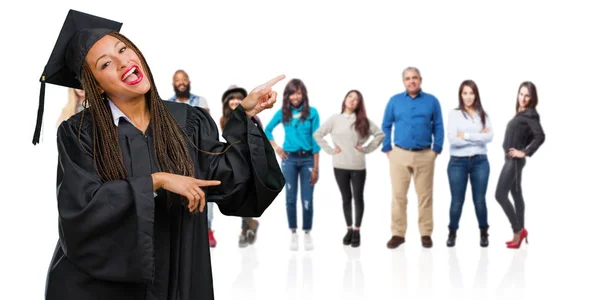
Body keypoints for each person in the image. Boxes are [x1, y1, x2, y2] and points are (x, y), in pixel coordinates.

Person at [34, 9, 285, 300]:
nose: (123, 62)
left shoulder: (186, 121)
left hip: (178, 279)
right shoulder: (80, 134)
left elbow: (230, 181)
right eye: (106, 64)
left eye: (123, 49)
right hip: (101, 290)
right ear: (97, 86)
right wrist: (155, 181)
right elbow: (81, 212)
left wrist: (243, 115)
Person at [381, 66, 444, 249]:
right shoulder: (394, 101)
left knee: (425, 196)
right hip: (399, 155)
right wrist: (388, 149)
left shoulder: (432, 101)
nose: (411, 81)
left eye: (414, 77)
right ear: (403, 82)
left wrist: (436, 150)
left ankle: (425, 233)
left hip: (425, 155)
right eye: (408, 78)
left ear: (421, 79)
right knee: (398, 196)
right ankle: (398, 234)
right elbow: (386, 125)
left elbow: (438, 126)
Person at [313, 90, 384, 247]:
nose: (352, 100)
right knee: (346, 198)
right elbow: (318, 134)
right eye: (350, 97)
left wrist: (365, 149)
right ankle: (349, 229)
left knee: (358, 198)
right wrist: (331, 150)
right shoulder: (334, 119)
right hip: (339, 165)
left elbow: (379, 135)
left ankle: (357, 230)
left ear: (359, 104)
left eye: (356, 99)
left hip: (358, 165)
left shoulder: (362, 120)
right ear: (345, 99)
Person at [264, 78, 320, 251]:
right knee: (290, 198)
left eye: (298, 92)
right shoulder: (283, 112)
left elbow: (316, 140)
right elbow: (267, 130)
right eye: (291, 93)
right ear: (287, 96)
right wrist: (277, 148)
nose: (295, 97)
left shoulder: (312, 112)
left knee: (307, 199)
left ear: (303, 94)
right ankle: (294, 233)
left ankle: (307, 232)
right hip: (289, 160)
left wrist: (316, 168)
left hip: (308, 160)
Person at [166, 69, 217, 247]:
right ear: (173, 84)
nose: (181, 82)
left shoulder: (200, 101)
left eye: (184, 79)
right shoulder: (167, 104)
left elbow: (207, 128)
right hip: (177, 156)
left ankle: (208, 229)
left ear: (189, 81)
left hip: (198, 153)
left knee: (203, 190)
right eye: (177, 80)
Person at [495, 81, 545, 249]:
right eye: (521, 94)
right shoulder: (521, 113)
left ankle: (518, 230)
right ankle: (519, 233)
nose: (523, 98)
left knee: (500, 195)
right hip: (511, 159)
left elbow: (540, 136)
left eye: (527, 95)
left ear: (532, 98)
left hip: (515, 161)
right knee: (516, 193)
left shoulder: (530, 114)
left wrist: (524, 151)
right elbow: (529, 135)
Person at [445, 80, 493, 247]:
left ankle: (484, 232)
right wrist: (478, 136)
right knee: (457, 201)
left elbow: (490, 137)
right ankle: (452, 232)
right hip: (457, 162)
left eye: (471, 93)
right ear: (460, 95)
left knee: (479, 200)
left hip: (480, 162)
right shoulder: (454, 114)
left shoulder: (483, 114)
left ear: (476, 95)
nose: (468, 97)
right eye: (465, 93)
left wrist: (464, 136)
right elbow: (452, 139)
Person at [220, 84, 261, 248]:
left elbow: (259, 138)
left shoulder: (251, 115)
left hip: (250, 159)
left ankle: (245, 230)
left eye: (239, 98)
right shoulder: (223, 119)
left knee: (246, 194)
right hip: (233, 160)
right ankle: (250, 224)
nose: (235, 101)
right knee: (238, 195)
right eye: (232, 98)